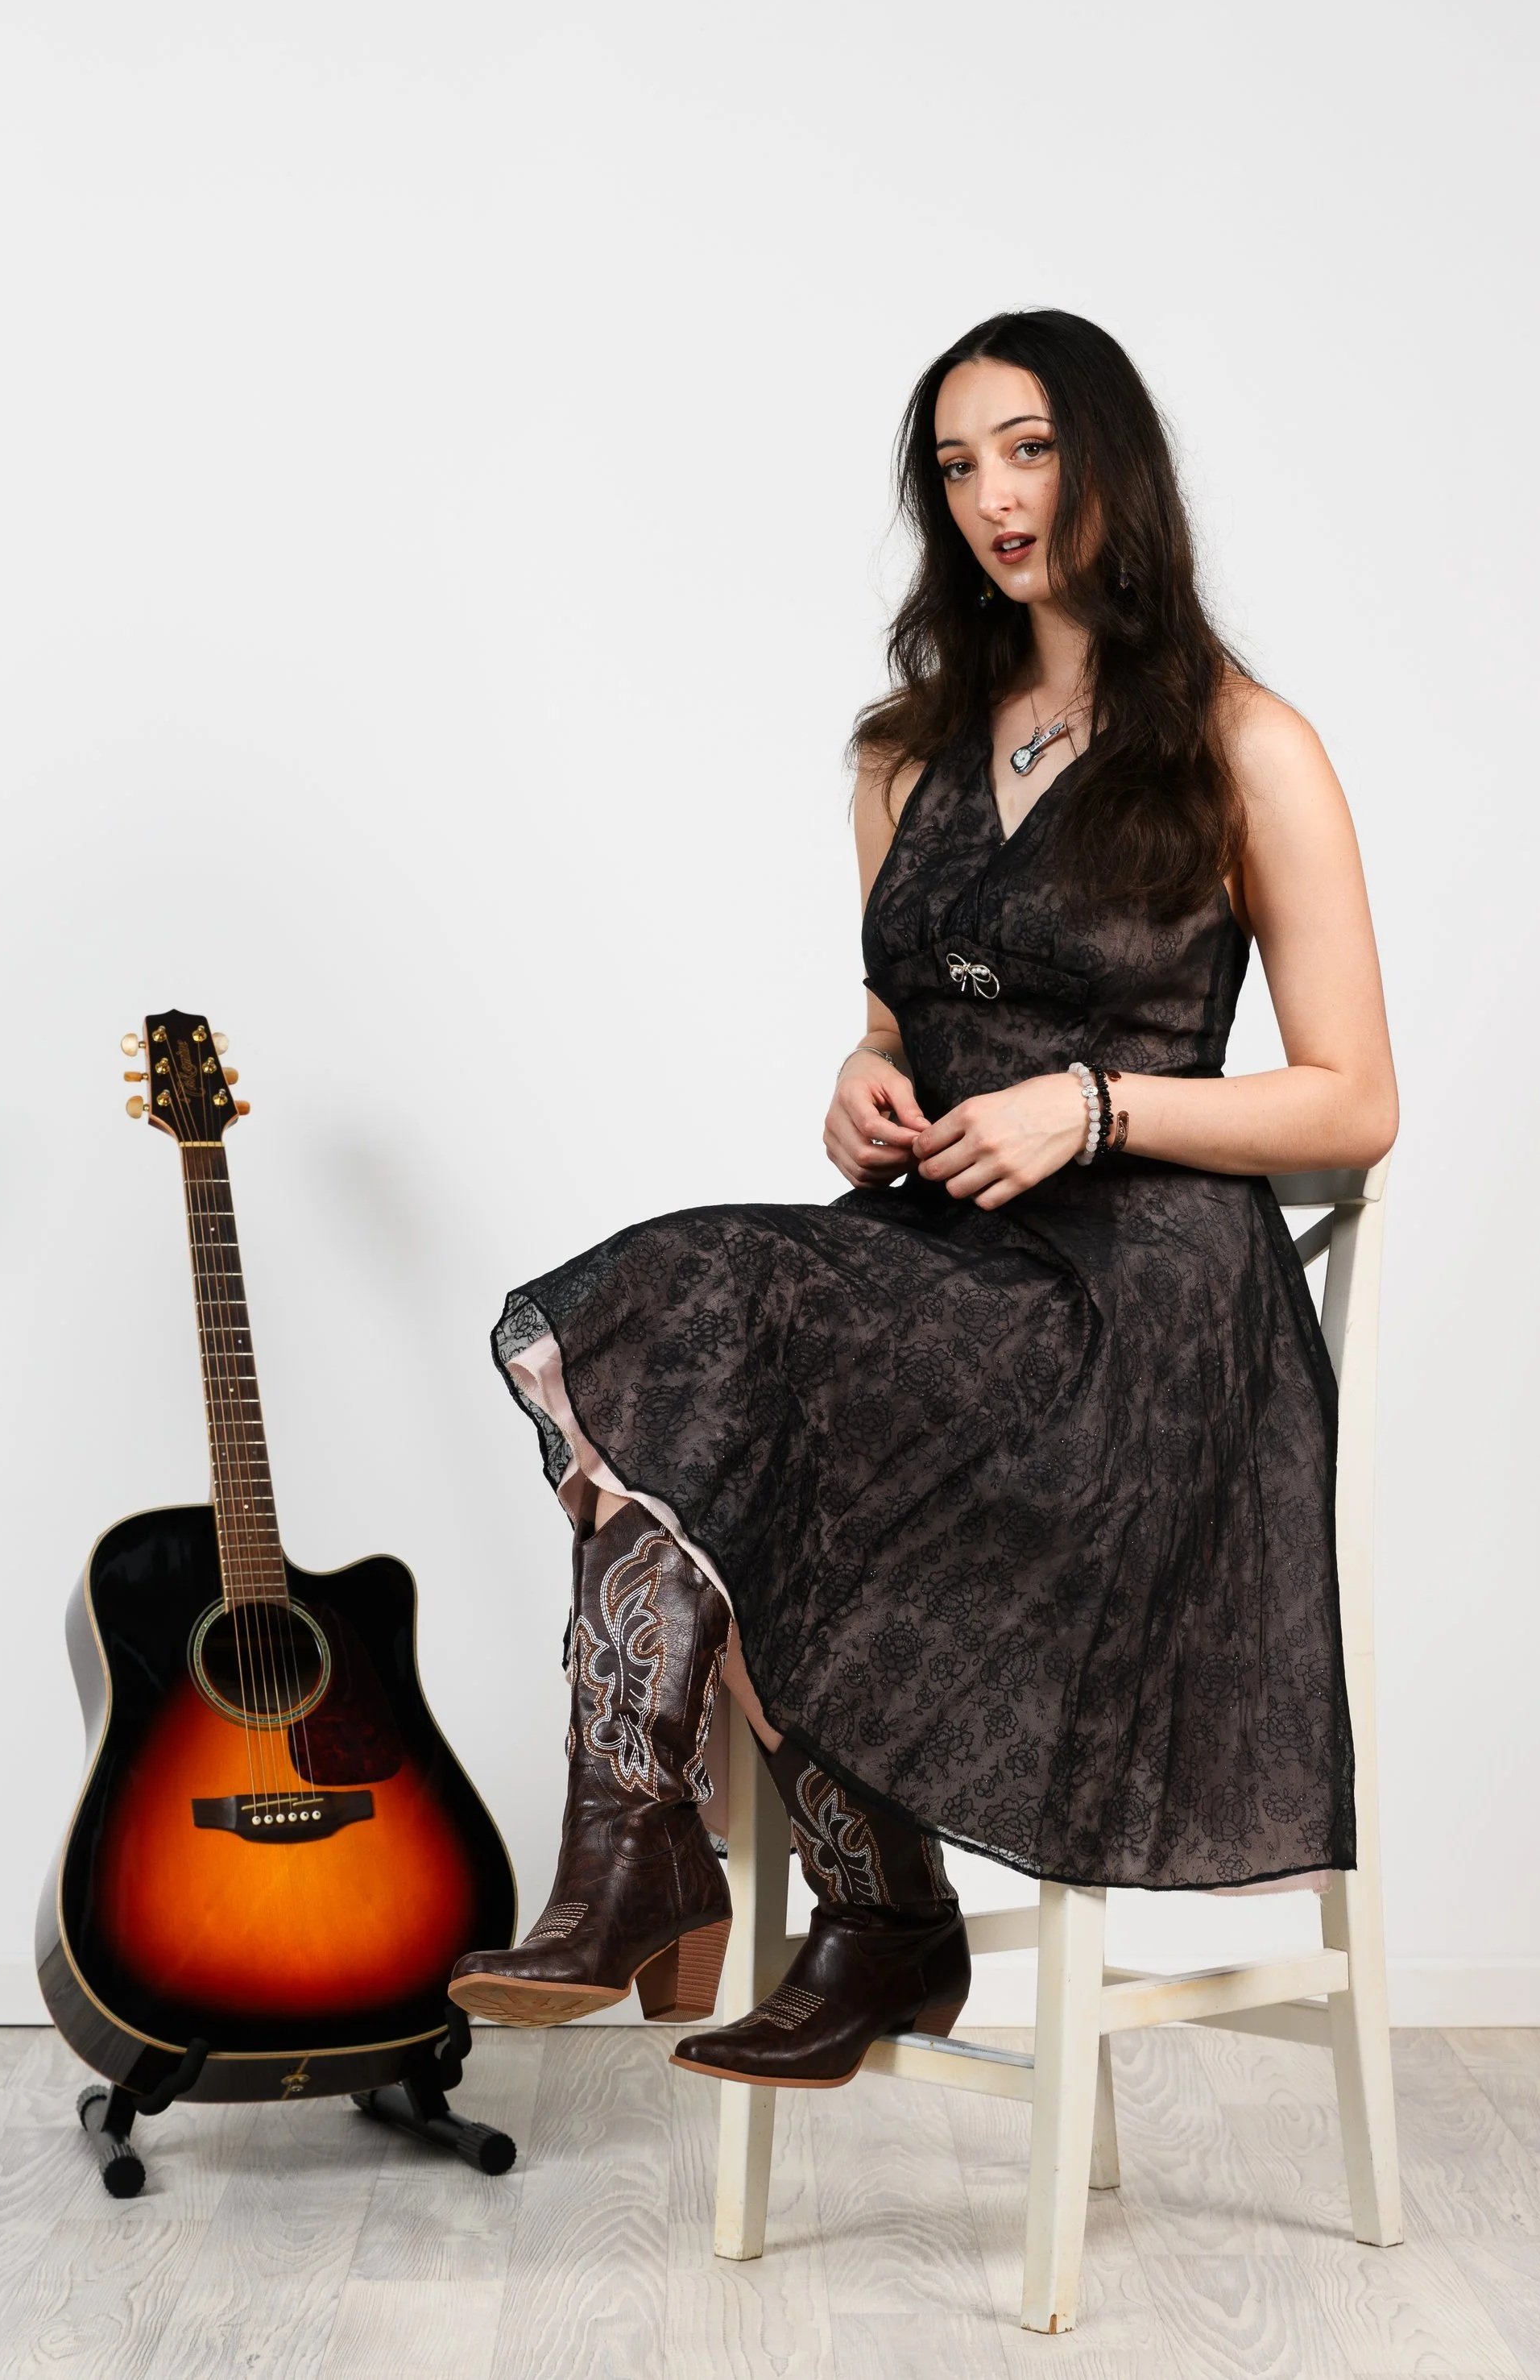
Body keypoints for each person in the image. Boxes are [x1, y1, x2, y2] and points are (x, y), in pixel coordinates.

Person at [449, 308, 1399, 2093]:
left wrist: (1097, 1107)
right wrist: (863, 1082)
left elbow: (1355, 1101)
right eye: (955, 467)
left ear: (1110, 457)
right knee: (715, 1354)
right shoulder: (904, 752)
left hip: (1137, 1316)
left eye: (1025, 449)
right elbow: (905, 1013)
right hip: (940, 1275)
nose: (991, 498)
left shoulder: (1242, 747)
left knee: (725, 1328)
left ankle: (756, 1882)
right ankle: (823, 1891)